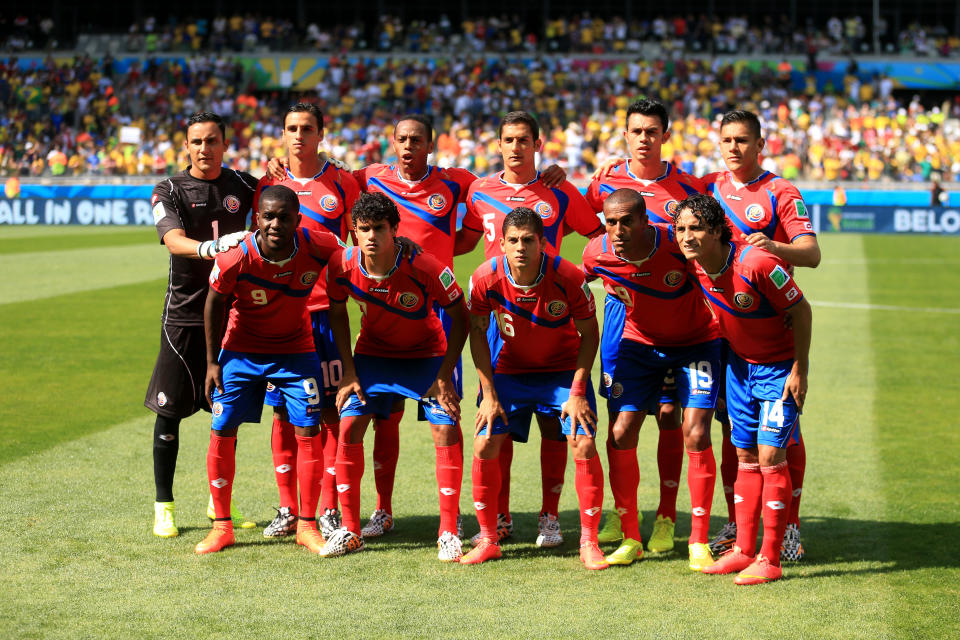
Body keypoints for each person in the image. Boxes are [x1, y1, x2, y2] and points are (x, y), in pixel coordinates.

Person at [267, 114, 568, 540]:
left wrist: (550, 175)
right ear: (393, 143)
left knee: (448, 416)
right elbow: (324, 175)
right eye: (402, 140)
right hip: (382, 310)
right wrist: (283, 168)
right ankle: (381, 512)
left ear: (431, 145)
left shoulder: (458, 182)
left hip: (439, 313)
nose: (409, 147)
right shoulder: (367, 178)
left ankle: (464, 520)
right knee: (382, 418)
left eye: (418, 140)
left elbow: (479, 216)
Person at [457, 110, 604, 547]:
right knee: (494, 421)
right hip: (498, 313)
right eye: (509, 139)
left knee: (555, 428)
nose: (516, 146)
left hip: (552, 309)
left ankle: (550, 516)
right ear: (498, 145)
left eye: (524, 139)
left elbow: (596, 234)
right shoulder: (478, 190)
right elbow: (462, 238)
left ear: (537, 145)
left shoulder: (558, 190)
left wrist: (581, 279)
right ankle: (498, 520)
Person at [586, 98, 707, 553]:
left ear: (664, 135)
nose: (643, 138)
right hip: (623, 317)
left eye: (652, 131)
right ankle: (624, 518)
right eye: (636, 130)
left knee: (670, 413)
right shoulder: (604, 181)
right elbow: (582, 227)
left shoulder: (688, 187)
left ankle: (665, 516)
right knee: (621, 416)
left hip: (673, 312)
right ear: (626, 135)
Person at [196, 185, 344, 554]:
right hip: (241, 351)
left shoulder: (319, 245)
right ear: (256, 219)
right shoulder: (236, 257)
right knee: (222, 427)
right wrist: (213, 362)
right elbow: (214, 304)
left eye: (284, 217)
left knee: (309, 429)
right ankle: (222, 526)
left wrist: (402, 247)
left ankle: (307, 526)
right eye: (268, 216)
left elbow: (359, 258)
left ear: (297, 219)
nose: (276, 223)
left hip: (296, 351)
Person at [673, 193, 812, 585]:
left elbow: (800, 310)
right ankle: (744, 550)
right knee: (745, 453)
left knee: (771, 454)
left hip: (779, 371)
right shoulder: (696, 267)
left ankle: (771, 558)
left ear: (717, 231)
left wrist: (800, 369)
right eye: (681, 229)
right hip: (738, 369)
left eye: (696, 228)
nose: (687, 237)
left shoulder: (756, 262)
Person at [323, 192, 469, 561]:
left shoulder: (426, 266)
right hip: (373, 355)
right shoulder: (341, 264)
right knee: (349, 424)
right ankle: (351, 529)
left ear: (394, 230)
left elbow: (462, 316)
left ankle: (449, 530)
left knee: (447, 426)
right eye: (363, 229)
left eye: (378, 229)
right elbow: (337, 312)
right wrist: (348, 371)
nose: (371, 236)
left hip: (426, 356)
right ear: (354, 232)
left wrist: (445, 375)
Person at [702, 109, 820, 562]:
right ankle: (740, 526)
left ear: (760, 144)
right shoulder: (708, 186)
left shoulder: (780, 192)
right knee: (735, 431)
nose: (734, 148)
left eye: (743, 141)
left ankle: (788, 528)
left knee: (784, 436)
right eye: (727, 140)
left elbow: (811, 253)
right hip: (724, 332)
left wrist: (775, 247)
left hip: (773, 325)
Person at [582, 189, 720, 571]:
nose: (619, 229)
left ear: (646, 220)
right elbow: (571, 285)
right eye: (611, 222)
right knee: (621, 431)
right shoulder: (596, 253)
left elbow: (726, 263)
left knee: (694, 430)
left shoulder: (676, 246)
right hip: (639, 345)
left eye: (627, 221)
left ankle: (696, 539)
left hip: (696, 344)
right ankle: (631, 536)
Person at [145, 111, 256, 538]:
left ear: (224, 144)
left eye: (212, 141)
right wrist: (212, 248)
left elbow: (275, 203)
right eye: (196, 142)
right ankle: (164, 506)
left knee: (224, 413)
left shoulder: (244, 185)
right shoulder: (168, 189)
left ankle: (218, 504)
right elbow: (172, 240)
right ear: (186, 146)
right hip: (184, 314)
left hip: (231, 316)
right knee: (169, 412)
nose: (204, 149)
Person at [252, 103, 360, 540]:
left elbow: (356, 245)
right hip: (280, 316)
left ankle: (329, 508)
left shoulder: (343, 183)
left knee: (332, 412)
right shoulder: (268, 182)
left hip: (324, 315)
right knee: (283, 414)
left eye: (307, 129)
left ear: (321, 133)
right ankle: (289, 508)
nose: (299, 136)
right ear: (283, 134)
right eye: (292, 128)